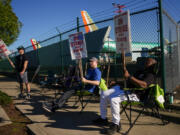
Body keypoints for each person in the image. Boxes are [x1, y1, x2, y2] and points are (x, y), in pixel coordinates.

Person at [93, 58, 157, 135]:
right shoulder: (140, 72)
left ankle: (116, 124)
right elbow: (129, 82)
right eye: (146, 62)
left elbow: (143, 85)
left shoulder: (151, 75)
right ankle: (103, 118)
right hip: (127, 90)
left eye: (148, 63)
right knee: (104, 94)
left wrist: (129, 76)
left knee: (114, 100)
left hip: (136, 95)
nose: (145, 64)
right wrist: (117, 82)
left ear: (153, 65)